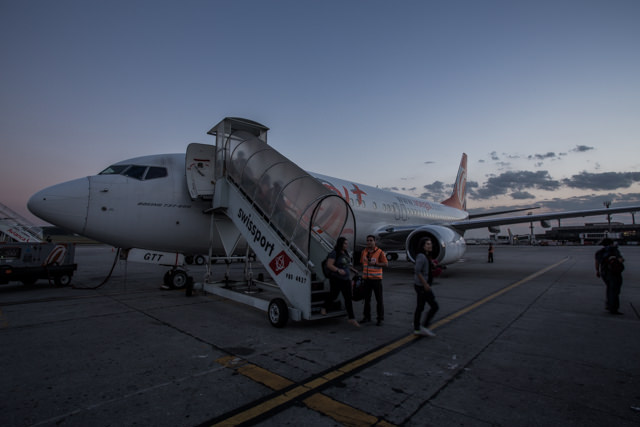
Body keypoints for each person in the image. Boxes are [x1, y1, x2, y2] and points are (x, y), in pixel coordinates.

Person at [322, 237, 360, 327]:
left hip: (346, 279)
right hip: (336, 279)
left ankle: (351, 318)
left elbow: (346, 264)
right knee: (333, 295)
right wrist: (338, 270)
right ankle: (324, 307)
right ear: (340, 244)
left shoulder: (345, 253)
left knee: (348, 298)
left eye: (347, 243)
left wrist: (353, 269)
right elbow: (329, 265)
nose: (347, 245)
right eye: (345, 244)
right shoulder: (334, 253)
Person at [413, 237, 439, 336]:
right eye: (428, 244)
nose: (430, 245)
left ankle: (417, 328)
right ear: (423, 246)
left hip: (422, 286)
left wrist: (432, 266)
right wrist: (425, 284)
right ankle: (424, 326)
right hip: (422, 286)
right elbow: (417, 271)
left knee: (420, 307)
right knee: (434, 306)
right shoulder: (421, 256)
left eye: (430, 243)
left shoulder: (426, 256)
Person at [360, 235, 388, 326]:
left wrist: (375, 264)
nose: (369, 242)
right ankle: (366, 317)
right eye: (367, 240)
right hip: (366, 280)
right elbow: (362, 264)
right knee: (366, 300)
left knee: (379, 300)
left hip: (376, 280)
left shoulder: (380, 252)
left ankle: (380, 318)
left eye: (371, 240)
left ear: (375, 241)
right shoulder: (364, 252)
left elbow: (385, 264)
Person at [595, 238, 625, 315]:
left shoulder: (599, 252)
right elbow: (620, 260)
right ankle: (613, 308)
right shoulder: (613, 250)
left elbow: (597, 263)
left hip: (604, 273)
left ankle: (609, 304)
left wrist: (597, 271)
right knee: (615, 291)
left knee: (609, 288)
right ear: (611, 243)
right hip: (614, 273)